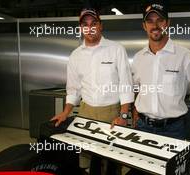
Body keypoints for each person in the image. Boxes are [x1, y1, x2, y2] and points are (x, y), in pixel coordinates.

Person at [51, 7, 134, 175]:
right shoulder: (75, 55)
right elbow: (73, 89)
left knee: (111, 163)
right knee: (88, 162)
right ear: (81, 28)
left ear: (100, 26)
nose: (89, 27)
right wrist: (65, 112)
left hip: (111, 113)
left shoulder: (116, 49)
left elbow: (126, 85)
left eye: (93, 23)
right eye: (85, 24)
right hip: (85, 112)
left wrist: (124, 116)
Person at [131, 2, 190, 145]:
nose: (155, 25)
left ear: (168, 23)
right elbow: (136, 87)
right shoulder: (139, 58)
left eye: (160, 20)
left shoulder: (186, 56)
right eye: (150, 21)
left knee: (169, 168)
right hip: (142, 127)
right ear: (144, 26)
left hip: (173, 130)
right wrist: (134, 110)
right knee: (142, 167)